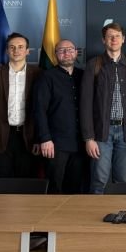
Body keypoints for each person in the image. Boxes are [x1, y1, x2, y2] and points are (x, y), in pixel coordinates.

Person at [80, 23, 126, 194]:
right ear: (103, 40)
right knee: (100, 180)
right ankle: (96, 211)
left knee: (122, 180)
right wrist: (88, 138)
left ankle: (120, 210)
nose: (114, 39)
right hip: (101, 133)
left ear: (123, 39)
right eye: (110, 36)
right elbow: (85, 103)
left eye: (117, 36)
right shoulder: (94, 64)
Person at [0, 32, 42, 178]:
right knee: (2, 181)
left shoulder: (39, 74)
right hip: (0, 137)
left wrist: (39, 139)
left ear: (27, 51)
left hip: (29, 136)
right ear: (7, 51)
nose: (16, 50)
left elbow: (43, 111)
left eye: (21, 47)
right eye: (12, 47)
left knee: (27, 182)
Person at [33, 39, 86, 194]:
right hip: (56, 144)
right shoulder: (46, 77)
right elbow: (39, 110)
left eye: (70, 49)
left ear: (76, 53)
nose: (66, 53)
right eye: (61, 50)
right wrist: (45, 139)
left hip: (80, 144)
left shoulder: (83, 76)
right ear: (56, 55)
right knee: (54, 188)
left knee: (75, 189)